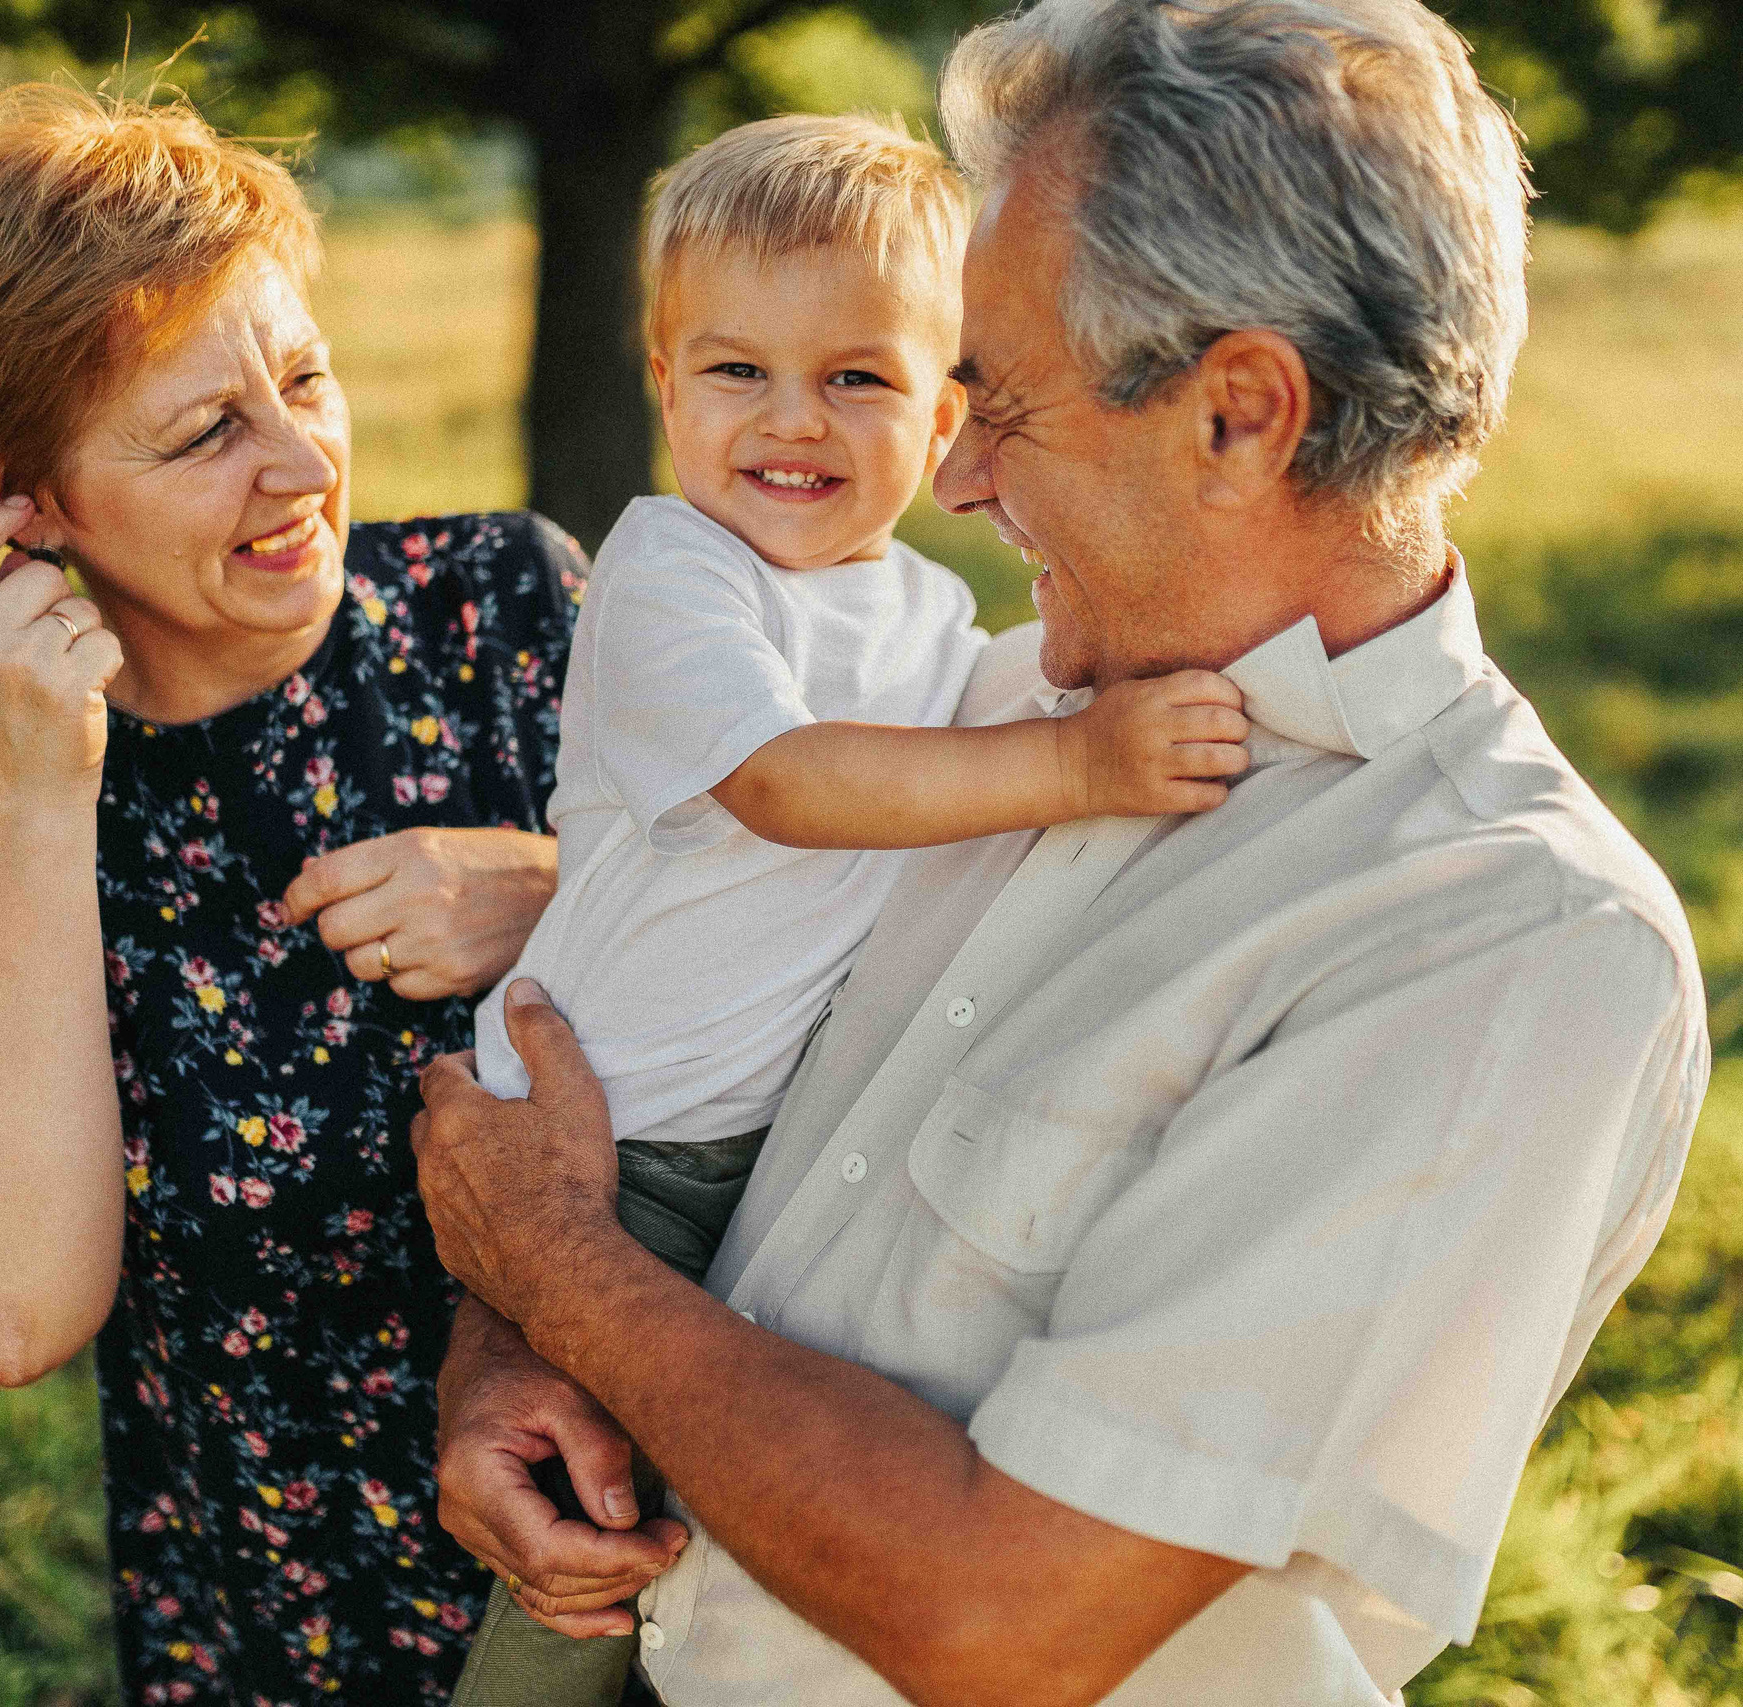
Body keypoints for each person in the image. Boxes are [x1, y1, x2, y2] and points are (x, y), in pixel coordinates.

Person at [413, 2, 1711, 1703]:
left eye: (998, 399)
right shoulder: (989, 709)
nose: (950, 478)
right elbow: (667, 1038)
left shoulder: (1501, 944)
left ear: (1238, 416)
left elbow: (1005, 1620)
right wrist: (507, 1347)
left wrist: (555, 1277)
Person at [453, 113, 1247, 1707]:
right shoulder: (679, 574)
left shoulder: (924, 608)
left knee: (743, 1510)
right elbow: (792, 785)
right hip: (622, 1139)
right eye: (736, 371)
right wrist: (1082, 762)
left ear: (949, 414)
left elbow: (945, 776)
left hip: (784, 1138)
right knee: (583, 1523)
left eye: (859, 378)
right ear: (665, 389)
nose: (791, 421)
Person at [0, 87, 584, 1702]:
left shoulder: (507, 606)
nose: (303, 461)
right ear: (20, 499)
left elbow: (831, 948)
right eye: (204, 433)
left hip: (661, 1567)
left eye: (306, 378)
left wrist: (561, 893)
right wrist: (41, 801)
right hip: (291, 1629)